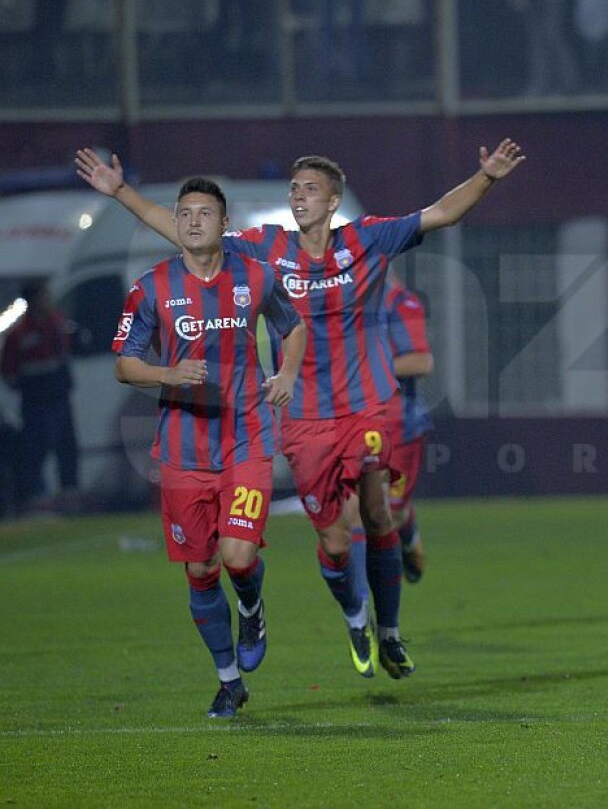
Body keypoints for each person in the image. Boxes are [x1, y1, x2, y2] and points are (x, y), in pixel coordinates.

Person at [76, 139, 525, 681]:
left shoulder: (367, 238)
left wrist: (488, 178)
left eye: (309, 189)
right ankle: (354, 614)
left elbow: (443, 212)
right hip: (305, 419)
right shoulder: (267, 249)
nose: (298, 196)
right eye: (294, 189)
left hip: (368, 405)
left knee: (376, 508)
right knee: (334, 542)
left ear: (333, 200)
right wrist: (120, 190)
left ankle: (391, 633)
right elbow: (189, 236)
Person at [111, 178, 305, 717]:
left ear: (224, 224)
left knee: (237, 555)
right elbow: (124, 364)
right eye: (185, 213)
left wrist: (287, 373)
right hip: (182, 449)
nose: (194, 220)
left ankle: (251, 603)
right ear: (176, 224)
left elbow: (293, 327)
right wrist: (168, 372)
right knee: (200, 569)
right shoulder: (150, 287)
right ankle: (228, 681)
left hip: (246, 437)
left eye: (205, 213)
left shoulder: (256, 277)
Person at [349, 274, 434, 606]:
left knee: (388, 515)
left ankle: (407, 526)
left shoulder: (401, 303)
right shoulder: (344, 300)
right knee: (358, 513)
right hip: (358, 422)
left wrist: (366, 370)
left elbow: (421, 361)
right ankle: (365, 611)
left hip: (399, 425)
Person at [0, 278, 79, 514]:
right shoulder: (20, 334)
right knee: (36, 448)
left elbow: (67, 352)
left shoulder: (58, 323)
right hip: (36, 401)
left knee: (67, 447)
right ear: (33, 300)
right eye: (44, 296)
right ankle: (37, 498)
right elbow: (10, 371)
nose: (48, 300)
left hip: (60, 396)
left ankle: (70, 494)